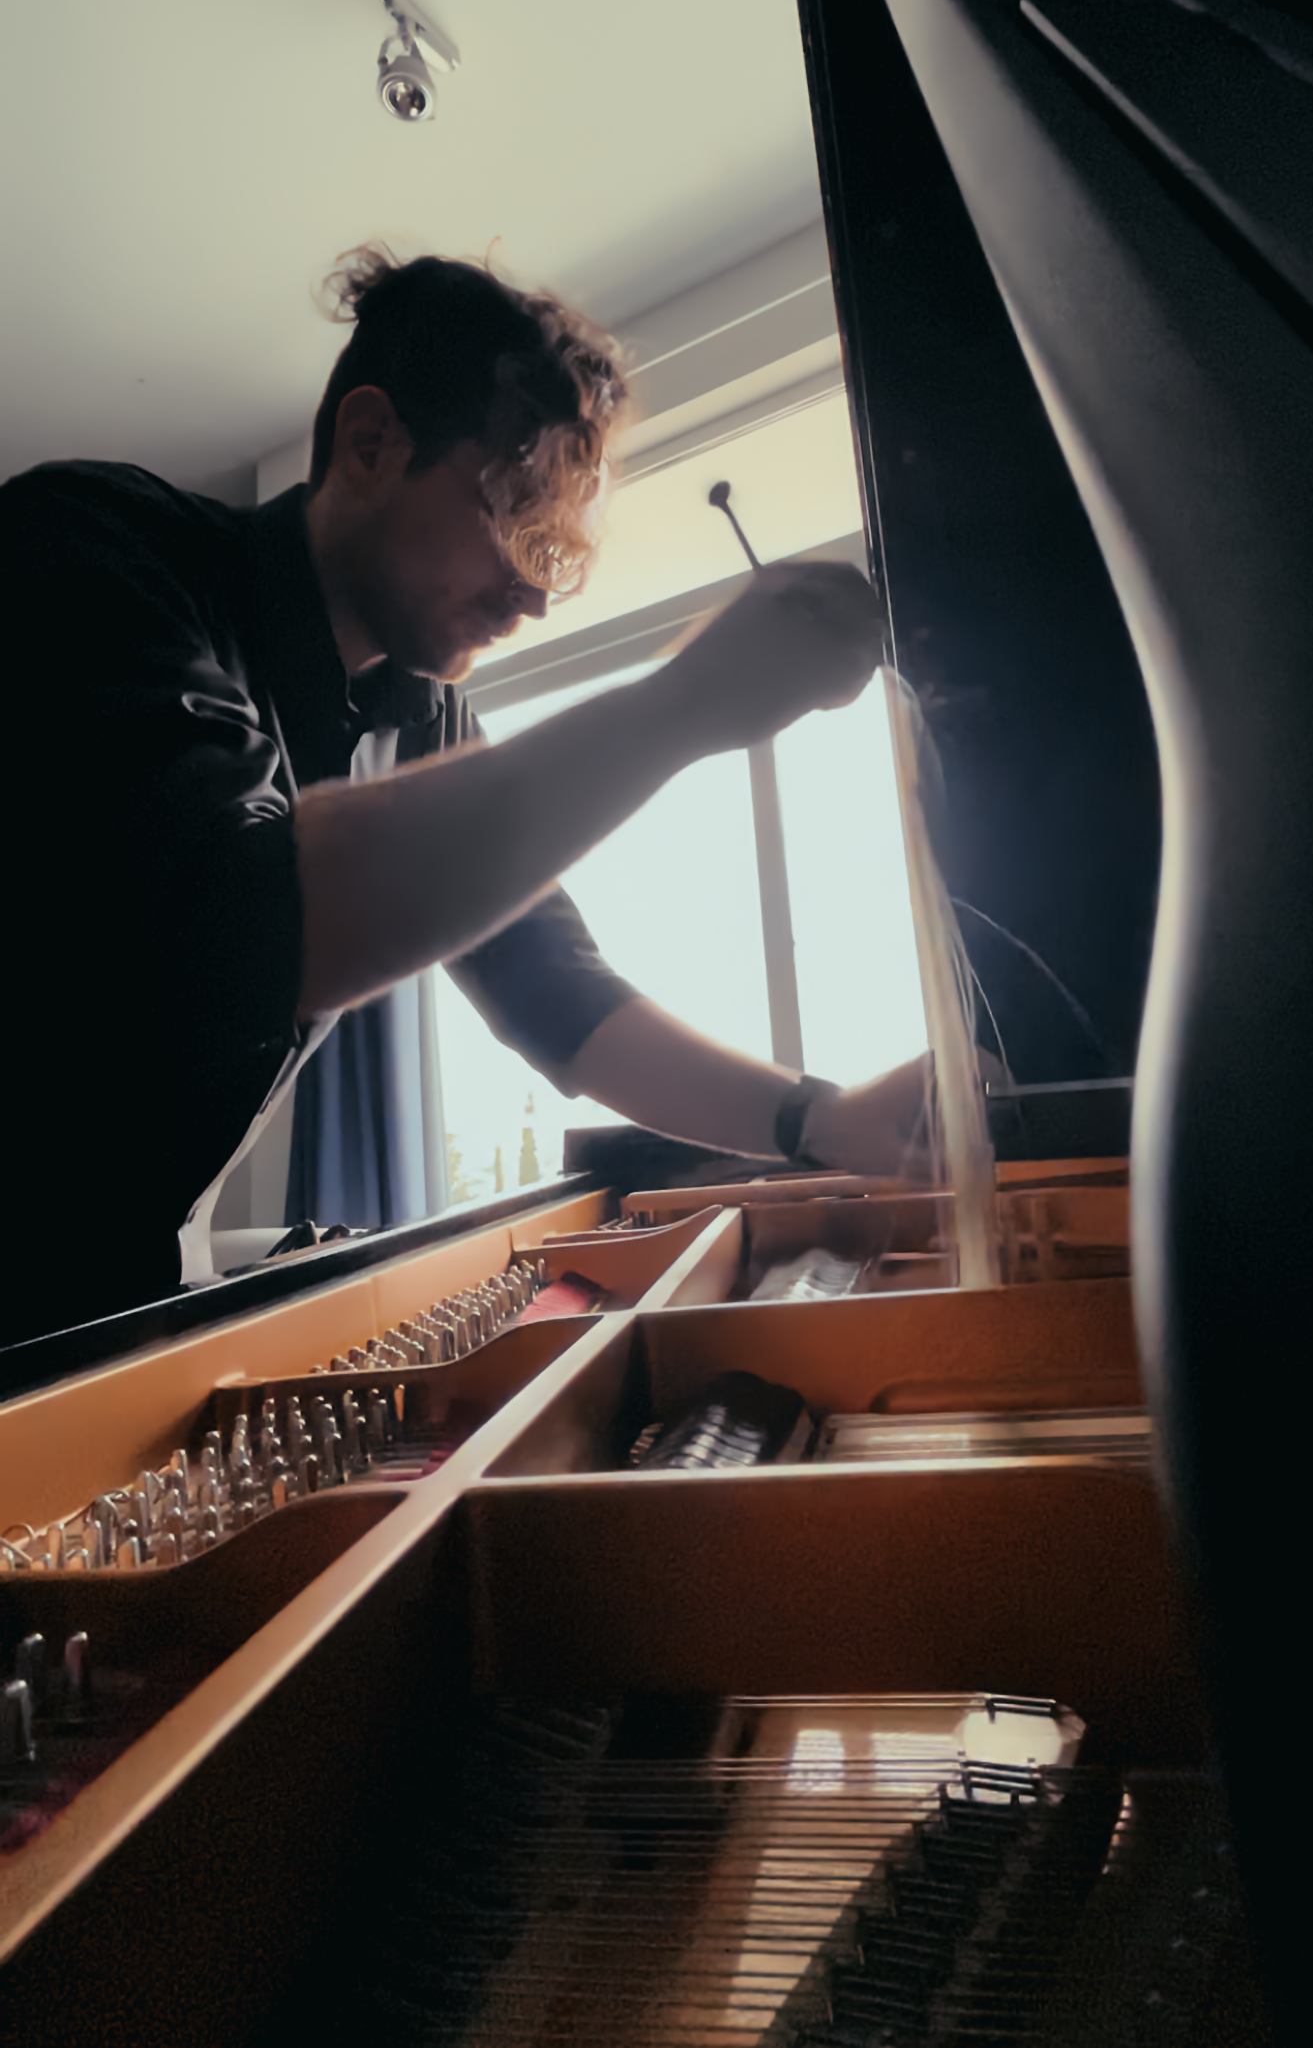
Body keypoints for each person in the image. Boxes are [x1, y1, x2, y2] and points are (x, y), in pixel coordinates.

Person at [0, 248, 930, 1349]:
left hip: (107, 1303)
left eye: (558, 551)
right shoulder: (96, 548)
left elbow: (559, 993)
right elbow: (241, 916)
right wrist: (686, 704)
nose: (534, 592)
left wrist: (818, 1119)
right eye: (513, 519)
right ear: (372, 443)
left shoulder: (424, 715)